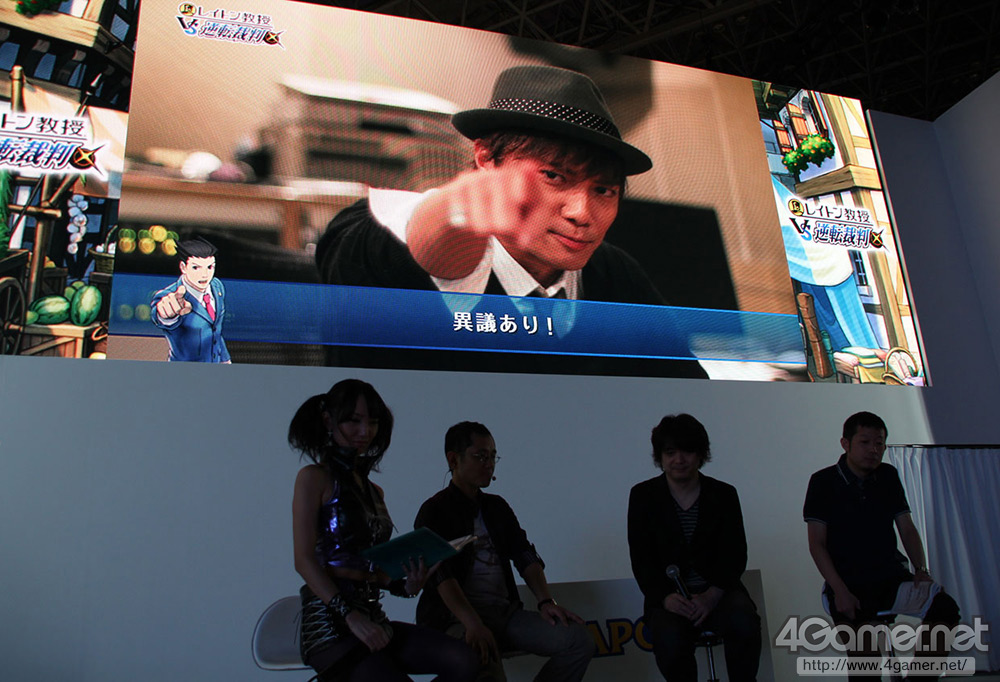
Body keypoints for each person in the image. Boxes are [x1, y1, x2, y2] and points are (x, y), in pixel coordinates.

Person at [315, 65, 706, 379]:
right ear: (486, 158)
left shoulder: (614, 274)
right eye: (554, 176)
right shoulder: (378, 234)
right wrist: (454, 213)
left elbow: (689, 396)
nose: (582, 213)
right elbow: (401, 242)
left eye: (603, 190)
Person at [288, 380, 478, 682]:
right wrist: (351, 616)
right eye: (354, 421)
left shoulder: (373, 490)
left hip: (374, 619)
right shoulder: (313, 478)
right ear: (328, 420)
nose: (365, 431)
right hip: (329, 627)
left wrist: (408, 585)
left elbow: (372, 570)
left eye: (373, 422)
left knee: (464, 660)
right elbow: (304, 560)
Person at [413, 421, 596, 681]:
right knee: (483, 660)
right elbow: (442, 576)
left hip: (505, 614)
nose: (489, 464)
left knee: (578, 640)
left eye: (492, 456)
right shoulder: (434, 510)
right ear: (454, 459)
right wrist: (473, 624)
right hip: (454, 618)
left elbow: (524, 554)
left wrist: (545, 601)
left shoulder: (496, 507)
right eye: (480, 456)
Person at [803, 411, 960, 678]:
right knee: (866, 661)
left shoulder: (887, 475)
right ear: (845, 443)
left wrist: (920, 569)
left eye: (879, 443)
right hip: (848, 583)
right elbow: (817, 544)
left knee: (945, 609)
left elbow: (906, 528)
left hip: (890, 578)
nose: (873, 450)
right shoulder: (823, 482)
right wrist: (839, 590)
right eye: (865, 442)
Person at [627, 414, 762, 682]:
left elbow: (736, 554)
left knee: (744, 622)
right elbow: (641, 559)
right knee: (669, 638)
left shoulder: (724, 494)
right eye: (670, 452)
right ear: (660, 457)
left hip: (719, 592)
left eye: (687, 451)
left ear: (701, 455)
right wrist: (665, 597)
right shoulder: (643, 496)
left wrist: (711, 596)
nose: (679, 459)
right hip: (669, 598)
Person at [150, 237, 230, 362]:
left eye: (210, 267)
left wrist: (225, 360)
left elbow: (216, 332)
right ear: (183, 267)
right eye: (196, 268)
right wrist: (167, 314)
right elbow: (161, 314)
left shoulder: (217, 286)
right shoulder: (171, 295)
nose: (204, 274)